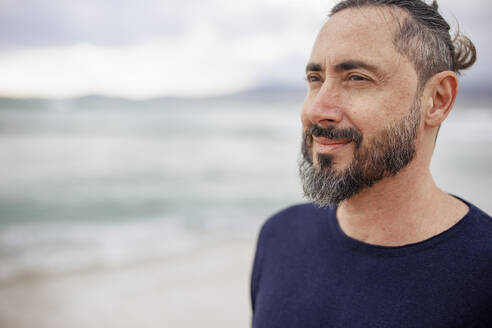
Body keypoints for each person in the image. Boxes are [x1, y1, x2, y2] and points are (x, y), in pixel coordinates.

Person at [250, 0, 492, 327]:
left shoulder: (482, 271)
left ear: (437, 99)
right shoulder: (279, 237)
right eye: (315, 78)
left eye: (356, 78)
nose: (318, 108)